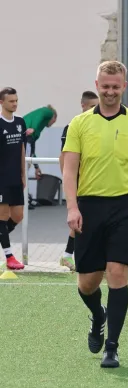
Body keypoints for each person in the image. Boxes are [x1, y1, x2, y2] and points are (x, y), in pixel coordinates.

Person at [62, 61, 128, 368]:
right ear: (97, 83)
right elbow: (69, 169)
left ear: (124, 86)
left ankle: (113, 348)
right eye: (104, 86)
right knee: (87, 283)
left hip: (126, 206)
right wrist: (72, 207)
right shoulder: (79, 123)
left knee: (118, 273)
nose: (109, 91)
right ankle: (98, 316)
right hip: (89, 207)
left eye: (115, 86)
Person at [59, 91, 99, 270]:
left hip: (94, 181)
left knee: (86, 220)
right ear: (82, 106)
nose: (95, 110)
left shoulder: (98, 125)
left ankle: (68, 255)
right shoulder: (73, 126)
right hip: (80, 184)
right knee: (81, 220)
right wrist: (69, 182)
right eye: (92, 106)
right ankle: (69, 255)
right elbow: (64, 157)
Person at [0, 87, 27, 270]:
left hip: (16, 179)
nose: (15, 104)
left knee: (17, 216)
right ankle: (9, 257)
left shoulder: (20, 122)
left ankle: (3, 237)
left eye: (16, 100)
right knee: (2, 217)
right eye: (11, 101)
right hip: (1, 180)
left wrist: (23, 174)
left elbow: (22, 149)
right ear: (2, 102)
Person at [23, 104, 57, 181]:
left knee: (26, 164)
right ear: (53, 117)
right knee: (25, 166)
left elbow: (32, 151)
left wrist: (36, 167)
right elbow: (41, 114)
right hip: (25, 137)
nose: (52, 124)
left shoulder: (36, 130)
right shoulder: (49, 112)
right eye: (54, 121)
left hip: (24, 140)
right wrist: (33, 128)